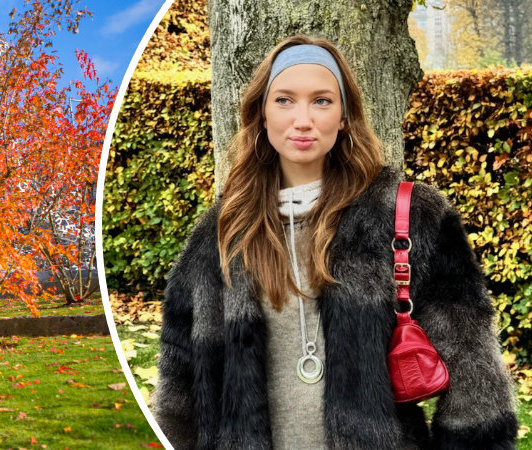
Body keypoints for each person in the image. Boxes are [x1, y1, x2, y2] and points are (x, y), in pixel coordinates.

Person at [149, 35, 516, 449]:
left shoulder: (409, 217)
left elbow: (475, 381)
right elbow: (178, 390)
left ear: (344, 116)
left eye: (321, 100)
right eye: (284, 100)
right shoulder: (221, 233)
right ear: (261, 114)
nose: (302, 119)